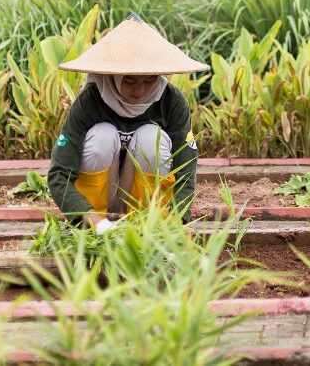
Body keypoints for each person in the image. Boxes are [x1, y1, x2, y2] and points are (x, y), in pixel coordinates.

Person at [47, 17, 207, 231]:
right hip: (97, 213)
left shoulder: (171, 101)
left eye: (149, 80)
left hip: (146, 207)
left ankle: (146, 220)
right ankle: (99, 221)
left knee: (151, 137)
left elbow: (187, 169)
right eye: (129, 81)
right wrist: (89, 218)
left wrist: (178, 222)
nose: (139, 91)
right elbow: (59, 174)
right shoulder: (91, 101)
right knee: (102, 135)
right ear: (113, 76)